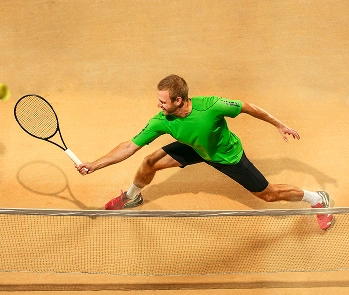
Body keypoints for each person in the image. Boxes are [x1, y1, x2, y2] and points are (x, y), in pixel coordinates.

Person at [76, 74, 333, 230]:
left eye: (163, 101)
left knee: (268, 194)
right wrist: (94, 164)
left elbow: (247, 107)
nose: (158, 104)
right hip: (195, 148)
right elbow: (129, 146)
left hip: (226, 155)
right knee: (149, 160)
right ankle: (133, 197)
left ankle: (317, 198)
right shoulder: (162, 120)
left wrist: (278, 123)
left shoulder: (210, 106)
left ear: (179, 100)